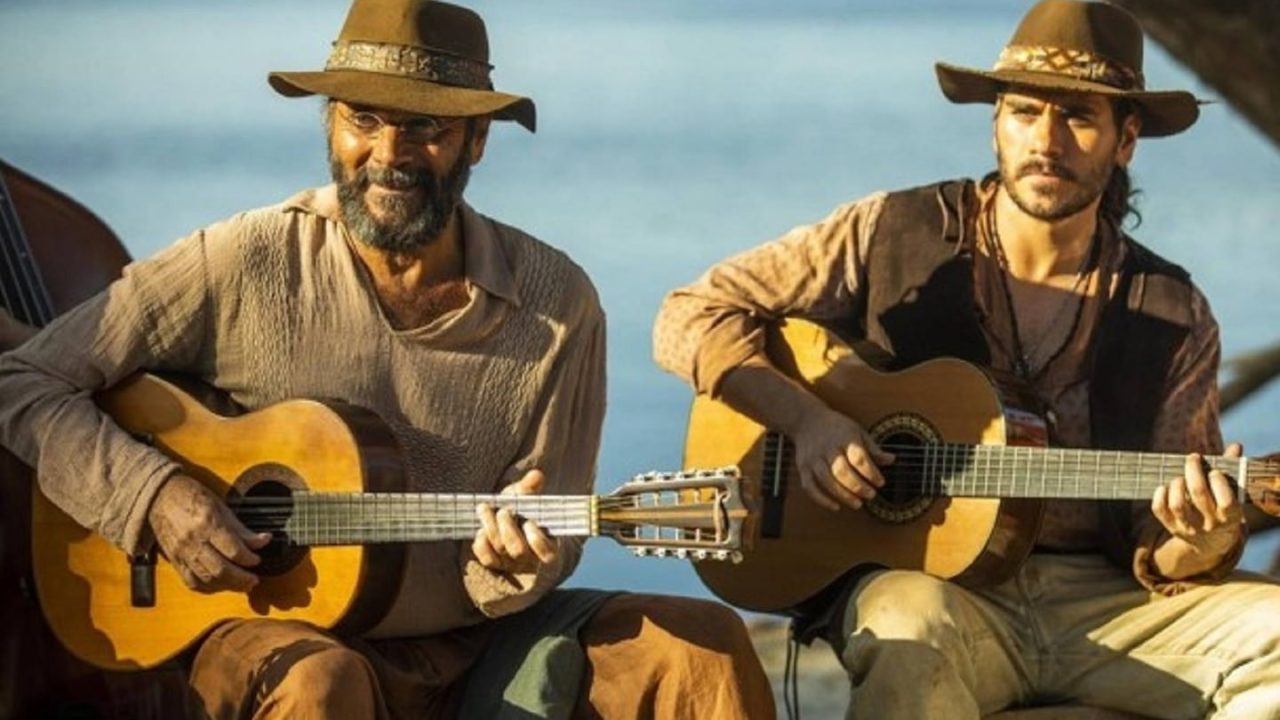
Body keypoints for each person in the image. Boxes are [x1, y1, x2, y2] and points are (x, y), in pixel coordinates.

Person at [0, 1, 774, 718]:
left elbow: (548, 538)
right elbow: (22, 379)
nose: (388, 155)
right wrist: (154, 496)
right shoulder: (244, 258)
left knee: (699, 648)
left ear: (477, 139)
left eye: (425, 129)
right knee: (318, 684)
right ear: (330, 124)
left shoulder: (558, 302)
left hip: (476, 642)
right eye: (362, 120)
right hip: (276, 633)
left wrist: (511, 568)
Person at [653, 1, 1280, 718]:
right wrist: (808, 422)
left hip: (1105, 603)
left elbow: (1164, 554)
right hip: (934, 588)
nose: (1046, 141)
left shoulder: (1174, 312)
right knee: (907, 629)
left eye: (1078, 117)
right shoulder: (890, 232)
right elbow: (687, 316)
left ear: (1126, 139)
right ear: (995, 124)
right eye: (1024, 113)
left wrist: (1203, 541)